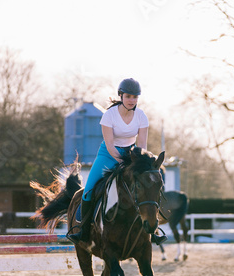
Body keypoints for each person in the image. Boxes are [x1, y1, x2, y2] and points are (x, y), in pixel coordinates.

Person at [67, 78, 167, 245]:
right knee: (89, 190)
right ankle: (83, 230)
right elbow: (110, 145)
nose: (132, 100)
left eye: (135, 97)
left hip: (132, 155)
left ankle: (153, 230)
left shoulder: (141, 116)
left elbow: (142, 145)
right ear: (120, 96)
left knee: (148, 188)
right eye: (128, 96)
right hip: (108, 155)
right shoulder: (109, 115)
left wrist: (139, 162)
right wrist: (123, 161)